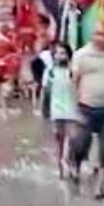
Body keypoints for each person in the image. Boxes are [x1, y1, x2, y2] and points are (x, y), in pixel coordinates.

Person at [69, 20, 104, 199]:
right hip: (86, 107)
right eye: (97, 34)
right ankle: (75, 167)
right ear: (92, 36)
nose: (101, 38)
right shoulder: (81, 55)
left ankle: (100, 188)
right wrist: (75, 106)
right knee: (80, 145)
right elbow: (74, 82)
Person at [42, 43, 80, 177]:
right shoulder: (50, 72)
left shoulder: (73, 71)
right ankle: (60, 166)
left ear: (68, 55)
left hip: (72, 109)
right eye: (58, 53)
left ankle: (70, 162)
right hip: (56, 110)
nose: (60, 56)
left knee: (73, 138)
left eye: (63, 53)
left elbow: (79, 89)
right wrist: (44, 110)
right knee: (59, 138)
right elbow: (46, 92)